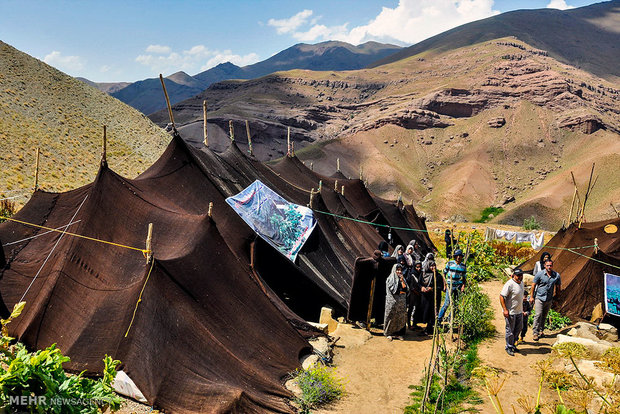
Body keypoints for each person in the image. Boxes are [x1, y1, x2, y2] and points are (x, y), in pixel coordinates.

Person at [530, 259, 561, 341]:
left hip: (549, 298)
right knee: (538, 314)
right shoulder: (540, 274)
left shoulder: (556, 275)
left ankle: (541, 330)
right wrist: (532, 297)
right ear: (544, 266)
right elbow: (533, 285)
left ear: (552, 266)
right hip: (539, 297)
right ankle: (535, 333)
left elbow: (558, 287)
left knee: (544, 316)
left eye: (550, 265)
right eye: (547, 265)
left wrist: (556, 298)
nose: (549, 267)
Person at [500, 269, 525, 356]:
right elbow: (502, 296)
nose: (520, 277)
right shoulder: (509, 284)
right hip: (511, 312)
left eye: (521, 275)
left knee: (518, 328)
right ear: (513, 275)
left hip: (519, 311)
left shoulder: (521, 283)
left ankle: (513, 345)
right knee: (510, 330)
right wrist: (505, 309)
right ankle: (509, 347)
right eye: (518, 275)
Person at [437, 249, 467, 322]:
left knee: (456, 303)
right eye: (457, 256)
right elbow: (444, 273)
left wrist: (463, 286)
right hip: (449, 286)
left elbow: (464, 278)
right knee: (447, 303)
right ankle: (439, 319)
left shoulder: (463, 266)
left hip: (458, 286)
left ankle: (450, 318)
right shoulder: (450, 263)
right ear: (455, 257)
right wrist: (445, 284)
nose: (458, 257)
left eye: (460, 256)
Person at [417, 260, 444, 335]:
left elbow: (440, 286)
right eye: (431, 266)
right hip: (425, 297)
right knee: (425, 312)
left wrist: (431, 288)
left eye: (434, 266)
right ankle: (427, 327)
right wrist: (422, 287)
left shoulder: (438, 276)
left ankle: (429, 328)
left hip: (434, 298)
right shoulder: (423, 274)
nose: (433, 268)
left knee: (432, 312)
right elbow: (419, 283)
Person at [384, 263, 409, 341]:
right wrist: (401, 292)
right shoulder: (390, 279)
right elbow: (395, 291)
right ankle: (388, 333)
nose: (399, 272)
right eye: (397, 270)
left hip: (401, 304)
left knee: (400, 318)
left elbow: (406, 289)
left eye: (400, 270)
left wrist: (401, 280)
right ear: (394, 270)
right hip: (392, 303)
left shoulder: (403, 279)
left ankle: (398, 334)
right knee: (391, 318)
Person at [406, 260, 422, 329]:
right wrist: (415, 291)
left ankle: (415, 323)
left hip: (419, 294)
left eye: (420, 267)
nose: (419, 269)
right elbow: (410, 284)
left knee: (417, 309)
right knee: (411, 308)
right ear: (415, 267)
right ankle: (409, 324)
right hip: (412, 294)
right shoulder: (412, 274)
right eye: (417, 267)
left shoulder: (421, 274)